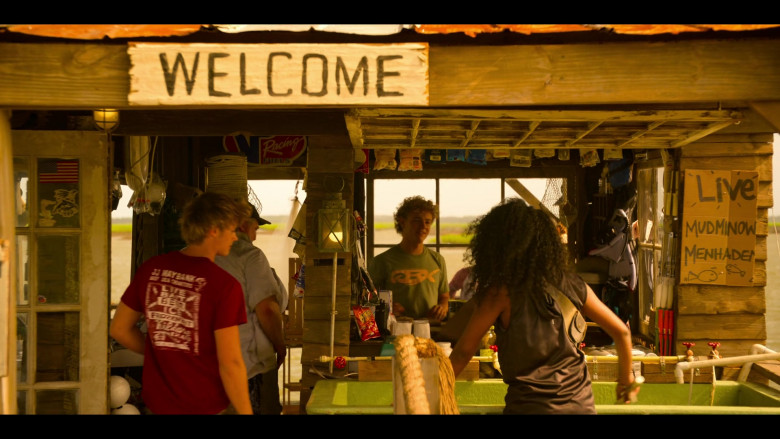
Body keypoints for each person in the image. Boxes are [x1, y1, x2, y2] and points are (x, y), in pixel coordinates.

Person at [448, 198, 638, 414]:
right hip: (580, 407)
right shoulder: (574, 285)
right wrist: (625, 379)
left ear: (498, 247)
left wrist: (434, 393)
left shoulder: (500, 293)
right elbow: (622, 332)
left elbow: (463, 353)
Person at [109, 192, 252, 415]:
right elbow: (231, 363)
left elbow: (119, 329)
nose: (235, 237)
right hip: (204, 405)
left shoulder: (151, 269)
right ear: (214, 230)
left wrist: (162, 352)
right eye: (232, 230)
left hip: (158, 404)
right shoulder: (224, 286)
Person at [215, 205, 288, 415]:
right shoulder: (249, 255)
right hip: (247, 366)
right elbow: (267, 310)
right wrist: (280, 345)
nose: (255, 237)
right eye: (255, 228)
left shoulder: (190, 255)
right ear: (243, 225)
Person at [368, 196, 449, 322]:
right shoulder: (382, 261)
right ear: (402, 222)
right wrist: (386, 308)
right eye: (417, 220)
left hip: (430, 331)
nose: (423, 226)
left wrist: (442, 308)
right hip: (395, 331)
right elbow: (366, 301)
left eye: (427, 222)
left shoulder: (438, 260)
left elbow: (444, 296)